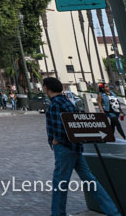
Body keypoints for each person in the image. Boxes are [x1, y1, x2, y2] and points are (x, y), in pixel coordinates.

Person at [43, 77, 120, 216]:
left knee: (60, 184)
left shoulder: (55, 104)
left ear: (47, 88)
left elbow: (62, 127)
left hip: (64, 148)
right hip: (76, 147)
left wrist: (56, 140)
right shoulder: (67, 101)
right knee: (90, 181)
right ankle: (112, 211)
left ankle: (57, 213)